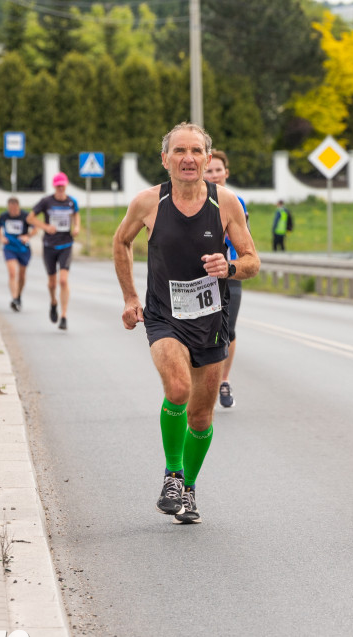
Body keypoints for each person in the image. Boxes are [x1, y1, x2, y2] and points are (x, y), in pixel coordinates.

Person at [113, 122, 259, 524]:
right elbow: (121, 241)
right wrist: (129, 297)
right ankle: (173, 476)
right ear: (165, 160)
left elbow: (252, 261)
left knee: (201, 415)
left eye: (196, 151)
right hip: (164, 317)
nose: (188, 159)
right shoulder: (148, 203)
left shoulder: (226, 203)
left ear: (208, 159)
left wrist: (227, 266)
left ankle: (189, 489)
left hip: (211, 319)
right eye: (179, 151)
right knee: (177, 388)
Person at [203, 149, 249, 408]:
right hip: (200, 275)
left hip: (230, 273)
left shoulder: (237, 202)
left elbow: (247, 243)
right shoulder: (194, 201)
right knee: (201, 331)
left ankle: (224, 380)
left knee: (228, 330)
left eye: (218, 170)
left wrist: (234, 264)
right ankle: (200, 381)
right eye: (209, 170)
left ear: (226, 173)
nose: (214, 174)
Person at [28, 172, 80, 330]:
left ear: (66, 185)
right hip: (49, 245)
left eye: (62, 186)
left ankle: (63, 316)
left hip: (66, 244)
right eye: (58, 186)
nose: (60, 189)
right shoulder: (46, 202)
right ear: (54, 187)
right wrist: (45, 227)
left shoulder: (72, 202)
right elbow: (30, 218)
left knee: (63, 280)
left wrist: (77, 226)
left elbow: (76, 216)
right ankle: (53, 302)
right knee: (52, 283)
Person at [0, 197, 37, 312]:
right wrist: (1, 237)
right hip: (10, 248)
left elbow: (35, 229)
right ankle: (14, 298)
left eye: (15, 209)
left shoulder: (25, 216)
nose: (13, 211)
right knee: (12, 272)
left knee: (22, 275)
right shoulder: (4, 216)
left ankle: (19, 296)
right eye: (11, 209)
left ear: (18, 207)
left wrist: (27, 236)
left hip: (23, 249)